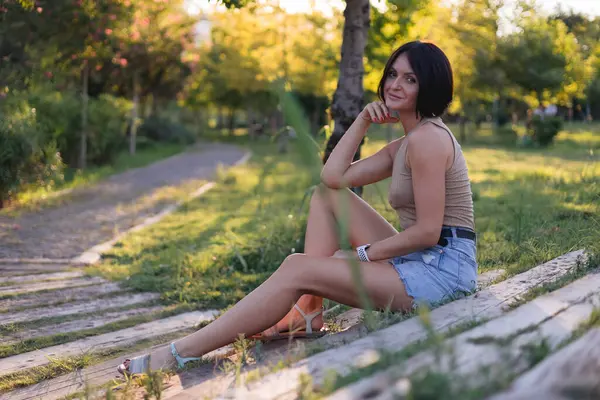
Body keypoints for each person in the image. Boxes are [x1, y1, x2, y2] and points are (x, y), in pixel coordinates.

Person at [118, 40, 478, 375]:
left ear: (428, 87)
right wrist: (362, 120)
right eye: (392, 74)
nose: (395, 84)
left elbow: (429, 233)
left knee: (297, 267)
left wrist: (364, 255)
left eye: (410, 79)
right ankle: (307, 311)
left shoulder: (428, 140)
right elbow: (333, 177)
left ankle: (179, 353)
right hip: (422, 260)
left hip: (444, 272)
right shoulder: (405, 144)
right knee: (325, 197)